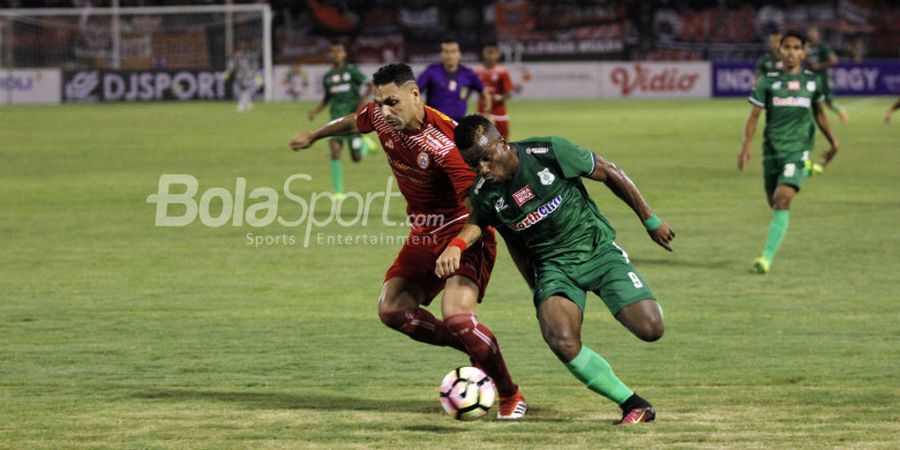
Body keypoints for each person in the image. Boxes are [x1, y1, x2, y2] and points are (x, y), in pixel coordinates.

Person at [289, 63, 527, 419]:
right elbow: (355, 120)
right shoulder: (382, 116)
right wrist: (315, 134)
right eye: (380, 102)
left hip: (465, 229)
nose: (384, 111)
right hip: (423, 233)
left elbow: (480, 210)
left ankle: (510, 395)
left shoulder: (447, 143)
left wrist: (458, 245)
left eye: (392, 102)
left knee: (458, 317)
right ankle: (473, 347)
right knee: (392, 311)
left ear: (414, 94)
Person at [436, 115, 675, 425]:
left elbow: (611, 172)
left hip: (597, 251)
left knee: (651, 328)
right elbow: (486, 229)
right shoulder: (485, 193)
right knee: (560, 338)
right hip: (554, 269)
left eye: (486, 158)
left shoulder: (549, 152)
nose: (482, 169)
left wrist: (650, 220)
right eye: (473, 165)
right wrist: (459, 246)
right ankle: (634, 404)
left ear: (502, 143)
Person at [738, 32, 839, 274]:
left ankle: (766, 258)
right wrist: (745, 146)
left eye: (797, 48)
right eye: (787, 47)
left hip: (798, 149)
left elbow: (820, 114)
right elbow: (754, 117)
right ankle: (806, 169)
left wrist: (833, 142)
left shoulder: (812, 81)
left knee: (782, 199)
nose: (792, 52)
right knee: (773, 202)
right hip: (772, 152)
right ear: (780, 51)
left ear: (804, 52)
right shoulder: (767, 81)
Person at [307, 41, 373, 198]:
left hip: (352, 120)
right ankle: (338, 192)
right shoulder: (328, 77)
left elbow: (370, 85)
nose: (336, 54)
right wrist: (316, 111)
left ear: (344, 54)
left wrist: (361, 100)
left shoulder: (352, 72)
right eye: (333, 51)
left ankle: (364, 145)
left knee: (356, 158)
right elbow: (327, 98)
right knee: (335, 150)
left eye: (339, 51)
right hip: (335, 119)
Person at [417, 38, 491, 122]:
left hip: (458, 124)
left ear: (460, 54)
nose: (450, 55)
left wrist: (487, 113)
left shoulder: (468, 74)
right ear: (441, 54)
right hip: (435, 124)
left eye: (453, 51)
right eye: (446, 51)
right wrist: (418, 111)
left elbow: (485, 94)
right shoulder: (431, 71)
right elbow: (415, 92)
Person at [806, 27, 849, 123]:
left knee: (828, 101)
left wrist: (819, 66)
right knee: (807, 98)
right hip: (810, 77)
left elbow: (834, 60)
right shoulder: (807, 47)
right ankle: (810, 119)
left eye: (813, 33)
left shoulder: (822, 47)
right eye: (810, 33)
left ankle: (840, 111)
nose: (811, 35)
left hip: (822, 78)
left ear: (818, 35)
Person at [474, 44, 515, 139]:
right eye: (488, 53)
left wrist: (500, 97)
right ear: (483, 54)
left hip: (499, 111)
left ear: (497, 55)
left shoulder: (502, 72)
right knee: (480, 139)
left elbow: (509, 92)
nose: (490, 56)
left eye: (492, 53)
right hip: (482, 110)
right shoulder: (478, 71)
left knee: (503, 138)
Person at [225, 43, 262, 113]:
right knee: (241, 90)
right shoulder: (237, 56)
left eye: (245, 46)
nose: (243, 48)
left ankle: (244, 104)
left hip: (249, 76)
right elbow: (232, 66)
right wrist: (228, 72)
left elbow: (255, 66)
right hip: (240, 77)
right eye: (242, 47)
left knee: (247, 90)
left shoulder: (251, 56)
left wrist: (257, 76)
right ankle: (245, 103)